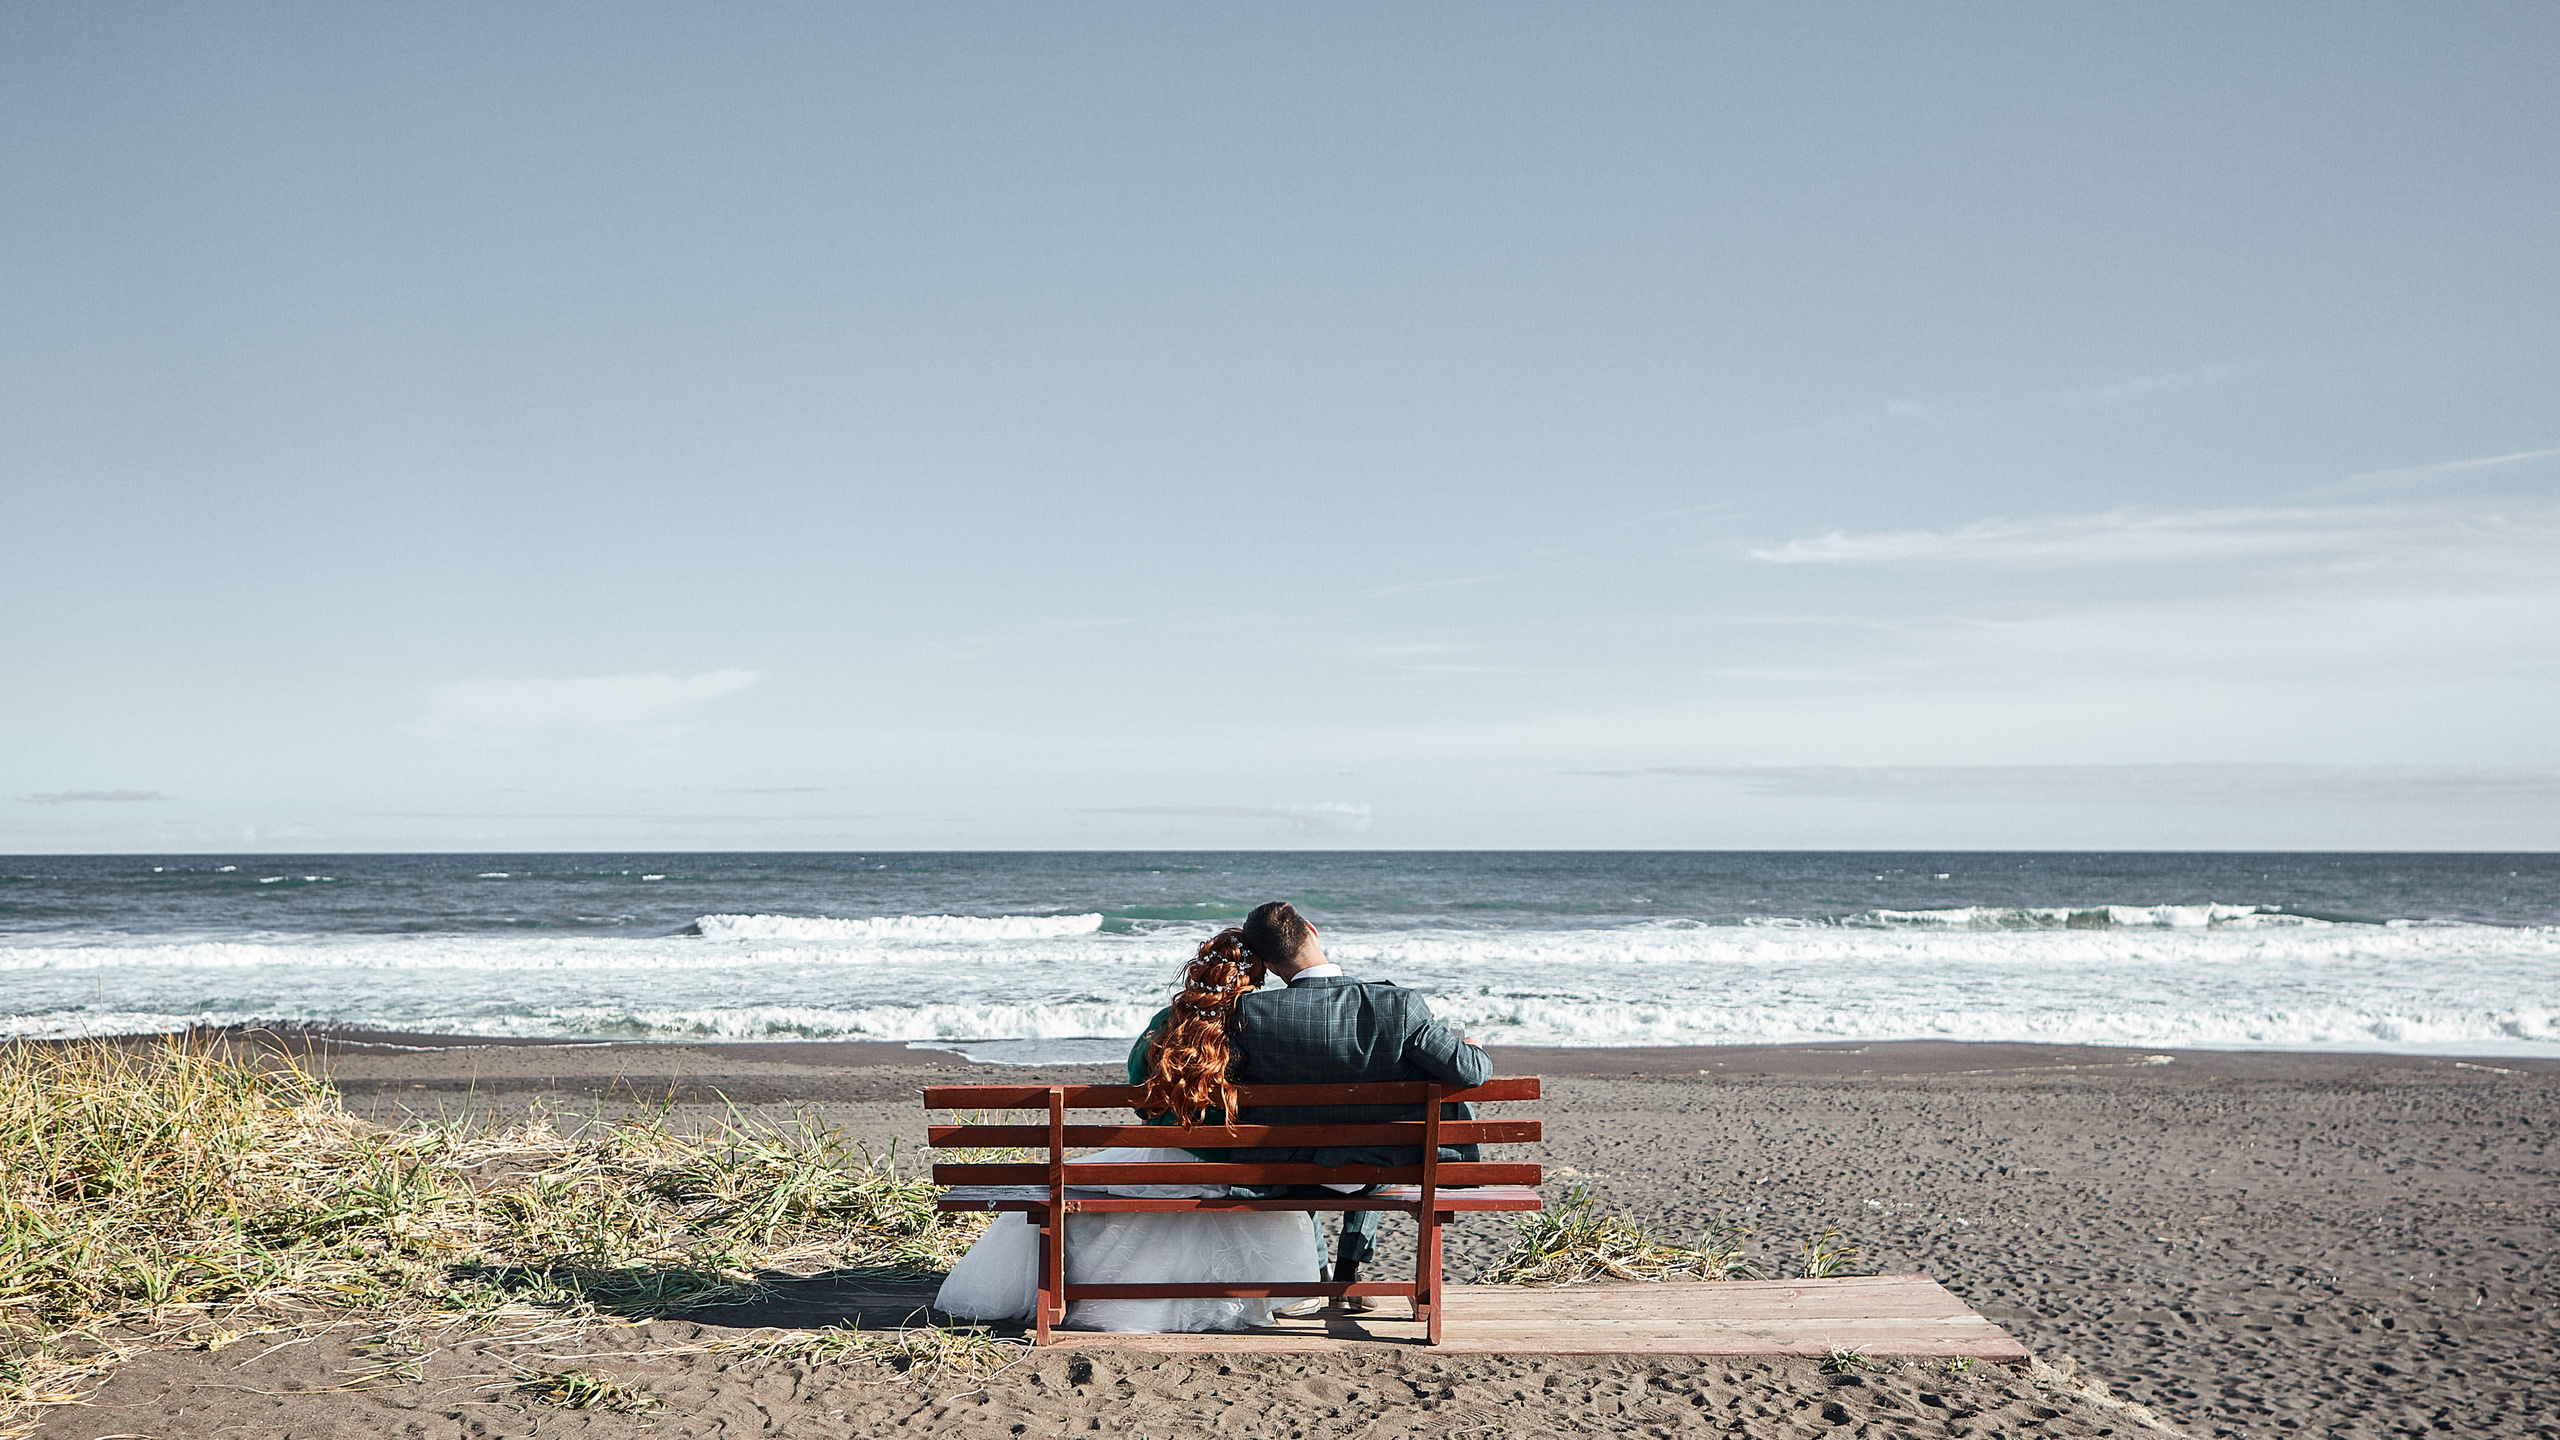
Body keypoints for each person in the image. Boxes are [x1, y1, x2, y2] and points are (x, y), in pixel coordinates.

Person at [932, 932, 1322, 1332]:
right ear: (1257, 978)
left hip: (1166, 1161)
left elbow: (1139, 1090)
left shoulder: (1168, 1023)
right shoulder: (1266, 1024)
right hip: (1241, 1172)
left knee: (1081, 1178)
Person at [1226, 900, 1493, 1310]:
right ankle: (1348, 1269)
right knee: (1372, 1141)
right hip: (1381, 1163)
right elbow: (1470, 1071)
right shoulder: (1396, 1006)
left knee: (1312, 1140)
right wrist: (1471, 1046)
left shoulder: (1248, 1014)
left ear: (1271, 966)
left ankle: (1320, 1273)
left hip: (1287, 1168)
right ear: (1311, 930)